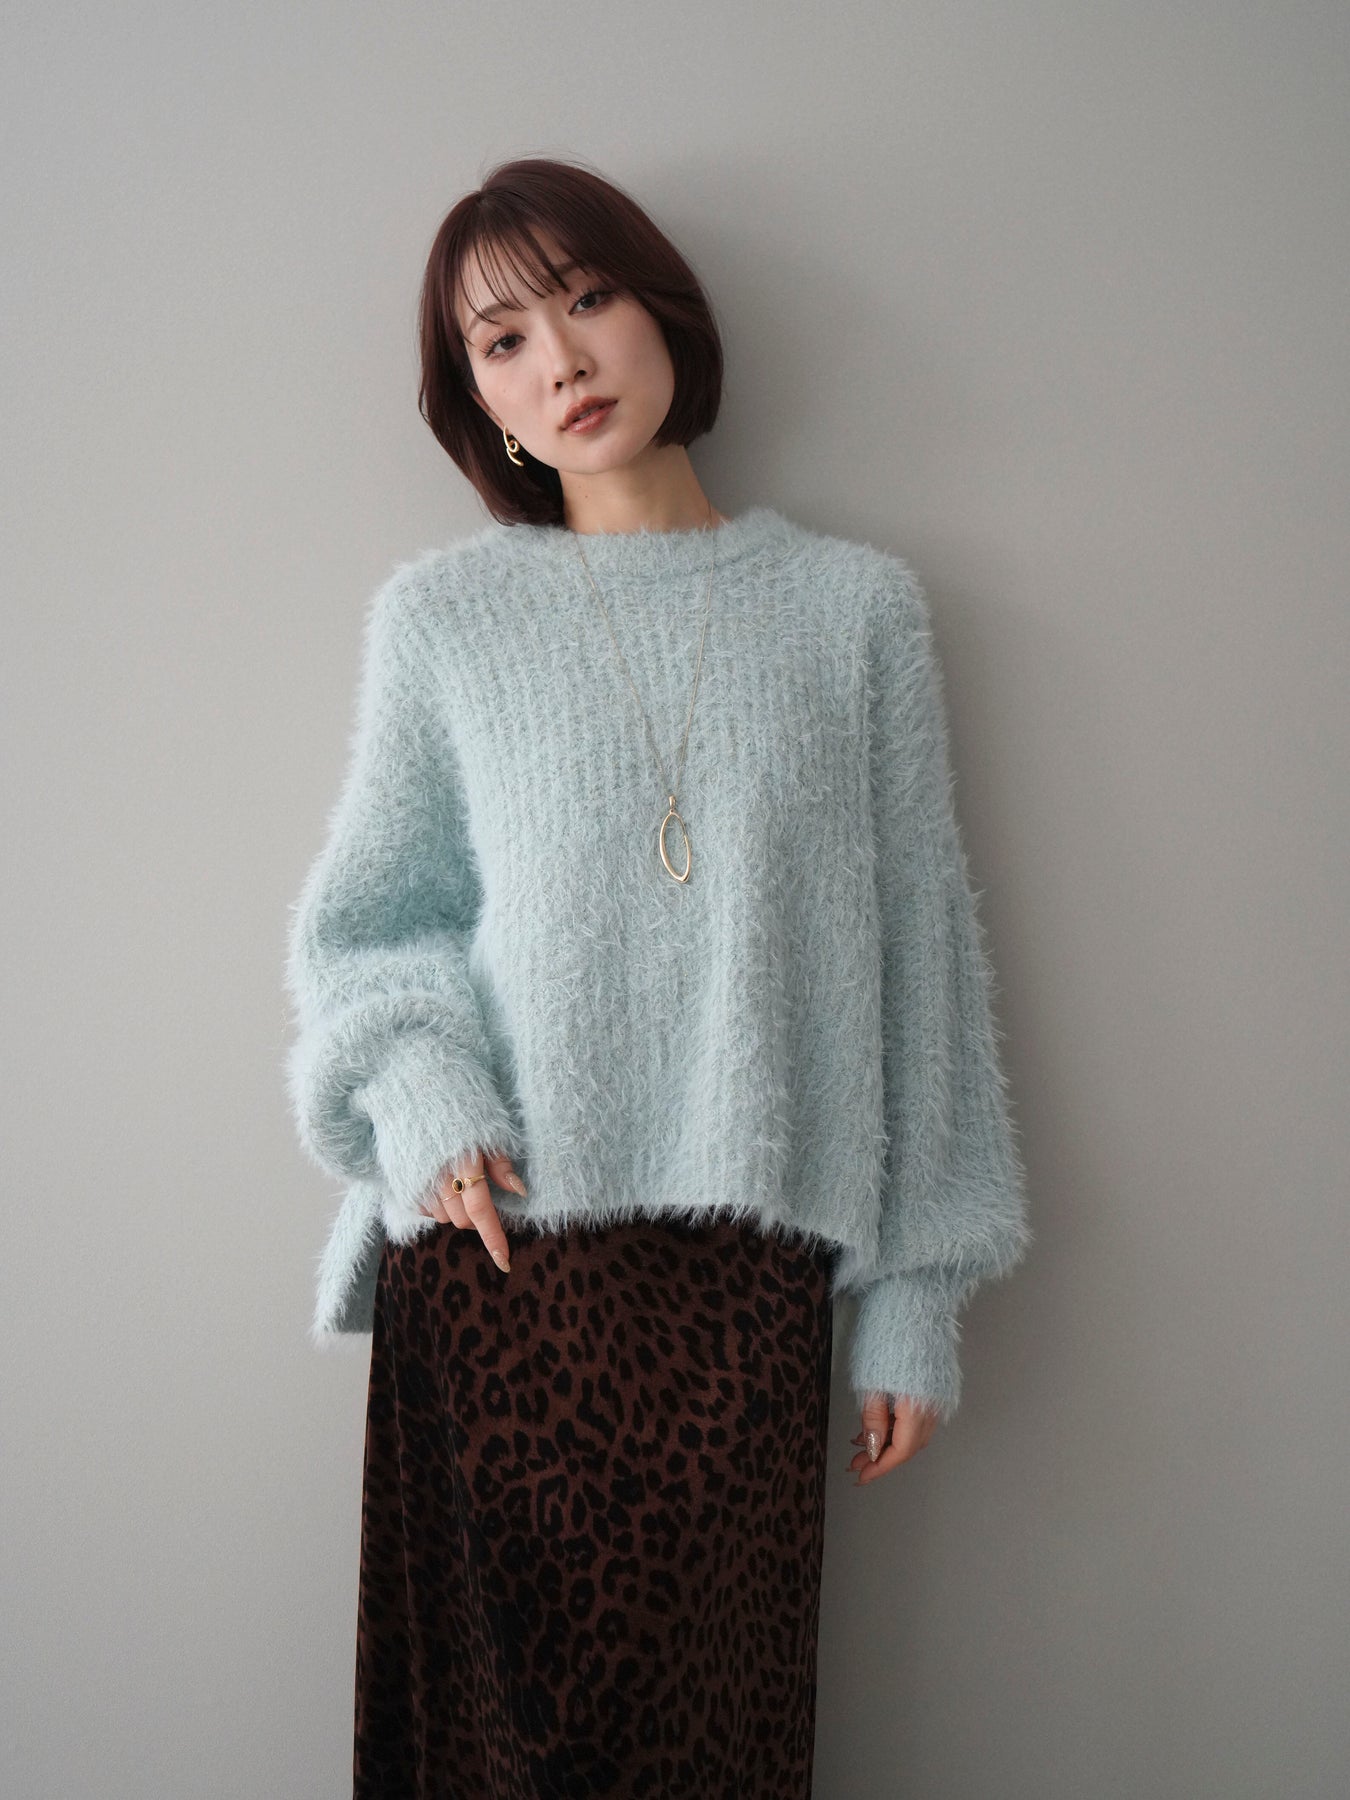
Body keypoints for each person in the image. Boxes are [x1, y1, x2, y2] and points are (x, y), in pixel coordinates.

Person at [283, 155, 1030, 1798]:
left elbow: (923, 962)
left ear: (662, 313)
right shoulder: (446, 621)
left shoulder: (851, 613)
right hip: (501, 1265)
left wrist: (917, 1290)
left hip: (742, 1283)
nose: (559, 359)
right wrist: (426, 1099)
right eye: (501, 341)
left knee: (714, 1751)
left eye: (587, 299)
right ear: (476, 402)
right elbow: (371, 928)